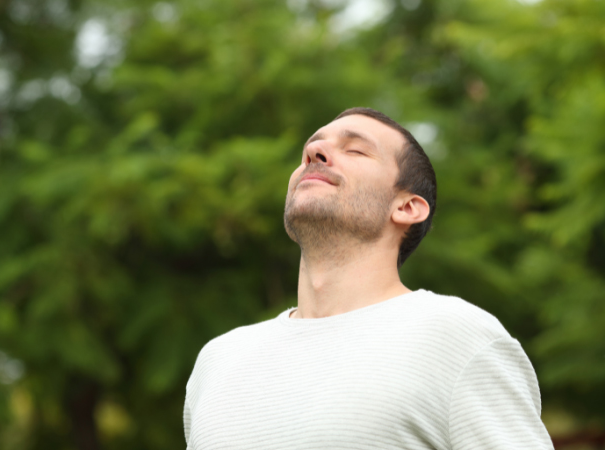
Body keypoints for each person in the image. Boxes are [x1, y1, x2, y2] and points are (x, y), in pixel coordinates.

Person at [183, 107, 554, 449]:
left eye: (356, 151)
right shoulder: (220, 359)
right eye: (311, 150)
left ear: (407, 207)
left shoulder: (456, 337)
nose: (315, 154)